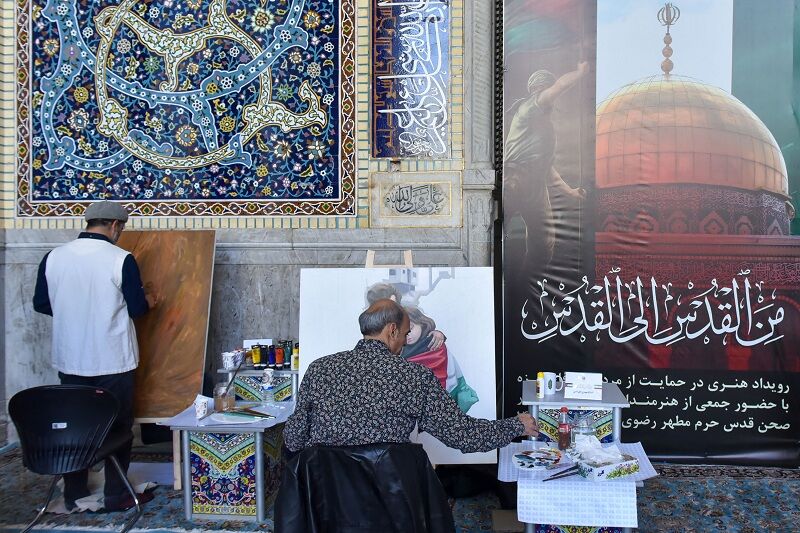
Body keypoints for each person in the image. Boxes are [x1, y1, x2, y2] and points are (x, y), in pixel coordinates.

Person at [284, 299, 537, 453]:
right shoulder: (414, 376)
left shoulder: (319, 369)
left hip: (326, 502)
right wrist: (516, 425)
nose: (405, 343)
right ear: (392, 330)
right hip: (390, 501)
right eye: (405, 335)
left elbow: (293, 439)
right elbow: (462, 434)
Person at [32, 201, 157, 512]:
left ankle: (73, 492)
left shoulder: (53, 257)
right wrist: (152, 300)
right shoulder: (120, 259)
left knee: (74, 427)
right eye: (122, 229)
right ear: (115, 226)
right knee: (117, 427)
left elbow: (41, 304)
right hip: (112, 359)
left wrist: (72, 311)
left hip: (70, 358)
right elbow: (137, 308)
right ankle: (116, 494)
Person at [504, 61, 588, 286]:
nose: (552, 98)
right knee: (497, 229)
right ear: (538, 91)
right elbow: (559, 86)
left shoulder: (546, 130)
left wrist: (571, 193)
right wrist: (580, 72)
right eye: (547, 91)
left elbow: (548, 171)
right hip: (514, 179)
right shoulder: (528, 108)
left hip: (536, 186)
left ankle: (524, 286)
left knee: (544, 244)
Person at [403, 306, 479, 413]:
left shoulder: (435, 343)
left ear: (421, 323)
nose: (407, 334)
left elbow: (450, 374)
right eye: (402, 330)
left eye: (410, 328)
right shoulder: (397, 348)